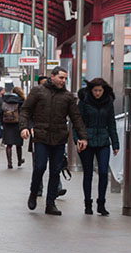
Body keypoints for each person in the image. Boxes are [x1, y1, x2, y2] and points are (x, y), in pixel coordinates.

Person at [20, 66, 88, 216]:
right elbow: (25, 110)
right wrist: (24, 127)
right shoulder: (38, 92)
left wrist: (82, 137)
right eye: (61, 77)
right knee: (40, 167)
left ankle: (50, 203)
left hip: (59, 138)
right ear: (52, 77)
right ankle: (33, 192)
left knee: (55, 171)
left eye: (65, 78)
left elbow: (76, 118)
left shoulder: (68, 97)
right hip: (41, 137)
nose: (63, 81)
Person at [77, 77, 119, 215]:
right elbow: (78, 122)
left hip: (103, 141)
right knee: (88, 173)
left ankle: (101, 203)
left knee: (102, 172)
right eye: (95, 90)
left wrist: (115, 143)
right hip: (86, 141)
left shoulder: (108, 102)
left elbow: (111, 123)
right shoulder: (84, 102)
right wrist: (78, 139)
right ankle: (87, 203)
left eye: (100, 90)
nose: (97, 93)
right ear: (91, 90)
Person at [0, 86, 26, 169]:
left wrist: (2, 123)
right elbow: (23, 114)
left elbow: (1, 113)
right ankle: (19, 161)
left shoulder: (5, 100)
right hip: (17, 125)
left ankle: (9, 163)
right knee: (18, 145)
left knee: (9, 145)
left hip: (7, 125)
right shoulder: (21, 101)